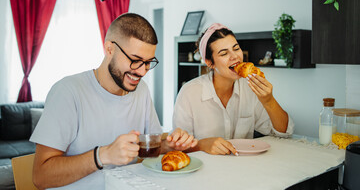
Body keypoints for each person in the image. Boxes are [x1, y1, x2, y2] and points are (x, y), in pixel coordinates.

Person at [30, 13, 198, 190]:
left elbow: (146, 150)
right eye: (135, 60)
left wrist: (167, 145)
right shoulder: (68, 91)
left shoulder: (141, 90)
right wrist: (102, 156)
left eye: (148, 62)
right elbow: (41, 176)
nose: (142, 72)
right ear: (109, 49)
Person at [173, 23, 294, 156]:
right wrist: (202, 145)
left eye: (236, 48)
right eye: (224, 53)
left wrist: (269, 101)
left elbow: (284, 133)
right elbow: (177, 147)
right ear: (209, 62)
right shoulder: (189, 93)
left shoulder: (249, 87)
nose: (235, 56)